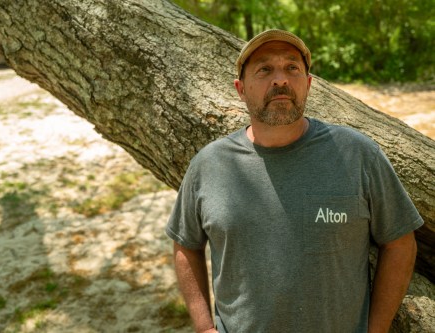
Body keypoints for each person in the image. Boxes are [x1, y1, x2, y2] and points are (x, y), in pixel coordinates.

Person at [165, 29, 423, 333]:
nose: (281, 80)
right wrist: (204, 327)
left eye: (292, 68)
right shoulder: (210, 165)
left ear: (309, 84)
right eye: (264, 69)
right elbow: (185, 245)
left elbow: (400, 243)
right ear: (241, 89)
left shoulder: (357, 154)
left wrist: (376, 329)